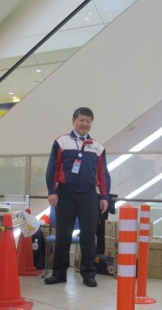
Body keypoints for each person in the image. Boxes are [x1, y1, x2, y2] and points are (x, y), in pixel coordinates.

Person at [44, 107, 110, 287]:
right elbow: (52, 168)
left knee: (89, 237)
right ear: (73, 121)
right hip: (66, 194)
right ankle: (59, 273)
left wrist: (104, 196)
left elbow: (103, 173)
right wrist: (52, 191)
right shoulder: (61, 142)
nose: (84, 124)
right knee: (63, 236)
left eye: (88, 121)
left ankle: (88, 274)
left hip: (89, 196)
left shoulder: (97, 147)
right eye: (81, 120)